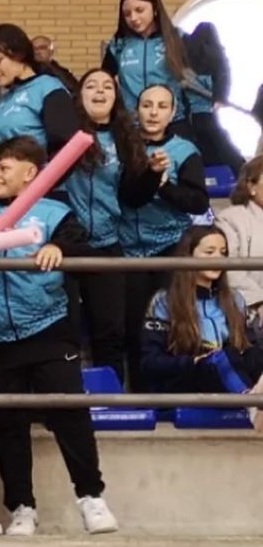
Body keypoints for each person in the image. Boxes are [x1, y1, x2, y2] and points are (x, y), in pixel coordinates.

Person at [0, 136, 118, 536]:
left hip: (49, 330)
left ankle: (91, 497)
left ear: (31, 173)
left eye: (4, 167)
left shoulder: (56, 213)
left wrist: (58, 247)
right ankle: (22, 508)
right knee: (8, 424)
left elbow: (87, 253)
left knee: (69, 413)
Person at [65, 69, 157, 379]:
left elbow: (133, 196)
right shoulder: (63, 134)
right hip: (65, 244)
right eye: (91, 85)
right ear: (79, 96)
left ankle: (111, 397)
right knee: (66, 331)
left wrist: (153, 175)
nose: (100, 91)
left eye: (108, 86)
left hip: (107, 244)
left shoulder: (125, 138)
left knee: (111, 331)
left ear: (116, 97)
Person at [120, 82, 208, 386]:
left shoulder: (185, 150)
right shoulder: (124, 146)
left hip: (170, 247)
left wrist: (165, 186)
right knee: (133, 328)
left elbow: (198, 202)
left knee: (171, 325)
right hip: (127, 250)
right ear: (136, 110)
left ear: (172, 113)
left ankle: (173, 394)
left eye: (161, 106)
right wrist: (151, 175)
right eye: (147, 105)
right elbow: (128, 196)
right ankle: (138, 396)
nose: (153, 113)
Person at [142, 224, 263, 398]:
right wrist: (193, 361)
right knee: (221, 359)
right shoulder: (164, 300)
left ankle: (249, 398)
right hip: (185, 380)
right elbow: (150, 362)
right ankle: (250, 402)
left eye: (223, 253)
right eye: (209, 252)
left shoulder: (235, 299)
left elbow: (250, 350)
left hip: (231, 373)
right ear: (189, 256)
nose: (218, 258)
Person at [0, 23, 80, 198]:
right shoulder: (5, 98)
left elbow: (69, 149)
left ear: (18, 54)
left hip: (34, 201)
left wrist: (37, 189)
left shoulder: (48, 89)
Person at [216, 156, 263, 325]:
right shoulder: (230, 219)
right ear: (251, 186)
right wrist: (259, 300)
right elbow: (230, 270)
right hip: (249, 309)